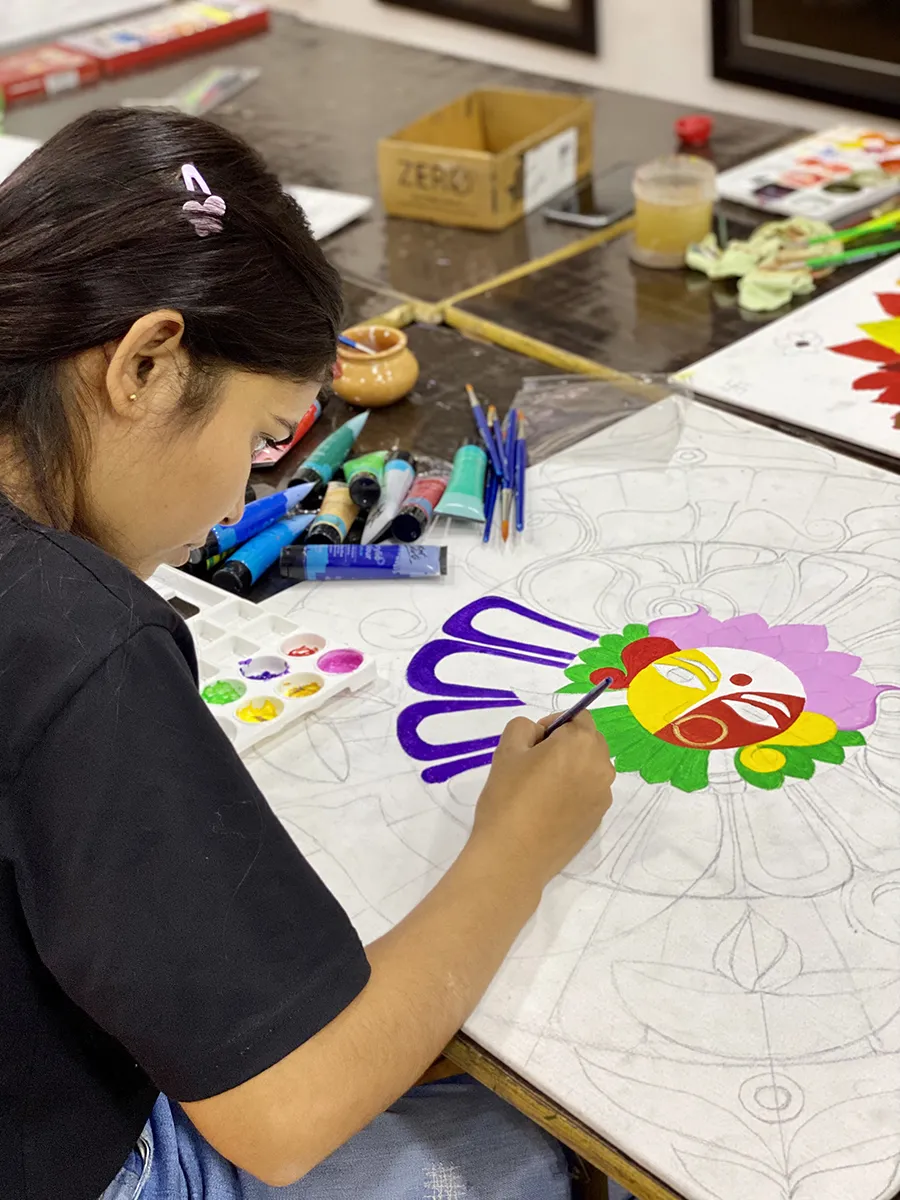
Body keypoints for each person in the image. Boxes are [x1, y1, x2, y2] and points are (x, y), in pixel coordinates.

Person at [0, 108, 616, 1200]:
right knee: (530, 1156)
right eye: (259, 439)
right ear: (146, 363)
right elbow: (285, 1114)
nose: (238, 503)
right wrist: (516, 850)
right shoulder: (77, 640)